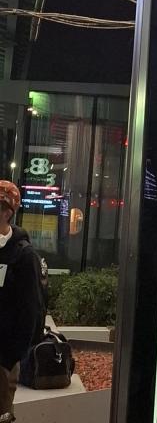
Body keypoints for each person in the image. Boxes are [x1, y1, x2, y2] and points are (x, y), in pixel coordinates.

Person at [0, 181, 44, 422]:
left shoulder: (23, 255)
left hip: (3, 359)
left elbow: (30, 310)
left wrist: (10, 358)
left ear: (7, 212)